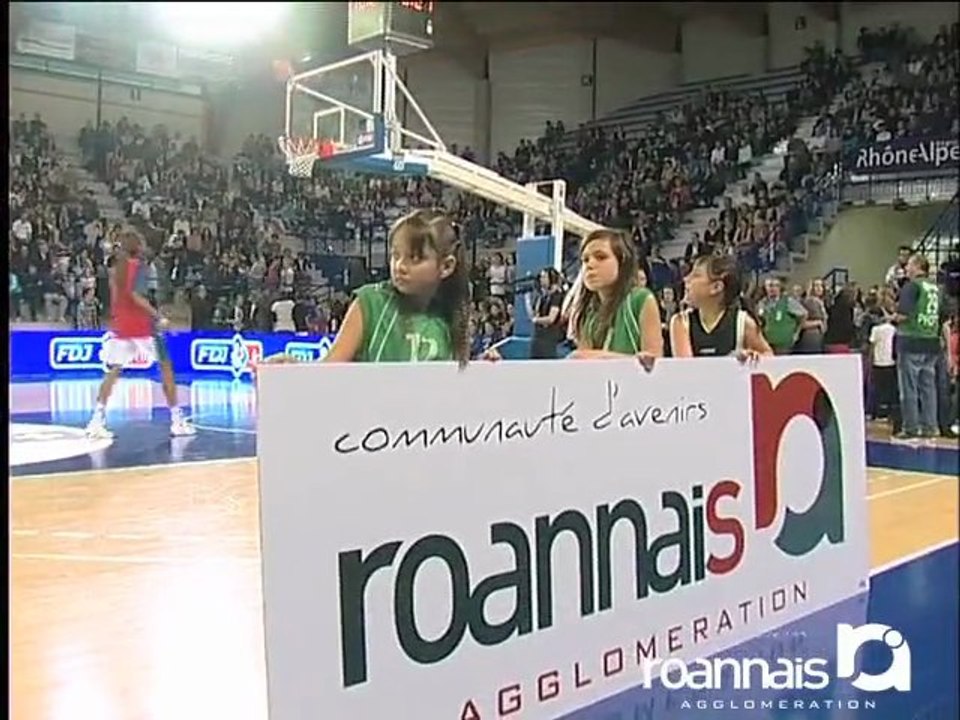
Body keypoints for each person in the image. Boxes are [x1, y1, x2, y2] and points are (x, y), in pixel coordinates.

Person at [266, 209, 471, 365]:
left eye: (415, 258)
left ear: (446, 266)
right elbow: (330, 368)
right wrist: (295, 370)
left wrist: (489, 367)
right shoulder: (370, 302)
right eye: (395, 255)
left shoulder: (452, 315)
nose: (400, 266)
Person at [86, 229, 195, 438]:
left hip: (122, 326)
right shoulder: (139, 267)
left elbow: (119, 298)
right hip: (144, 327)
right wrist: (157, 316)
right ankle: (177, 421)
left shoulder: (117, 269)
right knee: (166, 369)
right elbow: (136, 296)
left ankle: (96, 421)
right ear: (137, 246)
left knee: (113, 372)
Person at [565, 229, 663, 368]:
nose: (590, 265)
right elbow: (584, 364)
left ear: (622, 261)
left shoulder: (641, 298)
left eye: (601, 257)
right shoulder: (588, 311)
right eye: (585, 260)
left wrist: (595, 356)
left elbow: (655, 362)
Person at [670, 254, 772, 361]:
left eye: (696, 275)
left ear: (716, 287)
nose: (686, 279)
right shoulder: (681, 322)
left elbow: (770, 357)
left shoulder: (742, 322)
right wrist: (729, 360)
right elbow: (687, 369)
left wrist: (755, 356)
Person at [893, 254, 942, 439]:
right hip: (930, 340)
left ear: (918, 266)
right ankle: (930, 427)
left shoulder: (912, 286)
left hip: (911, 339)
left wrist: (892, 317)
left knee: (909, 388)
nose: (906, 267)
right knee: (929, 388)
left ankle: (911, 427)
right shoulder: (935, 288)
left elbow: (903, 314)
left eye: (910, 264)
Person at [524, 267, 565, 359]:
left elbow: (551, 318)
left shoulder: (556, 296)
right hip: (538, 336)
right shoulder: (543, 296)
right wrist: (527, 299)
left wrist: (536, 320)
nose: (541, 280)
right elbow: (533, 315)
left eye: (544, 277)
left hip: (549, 338)